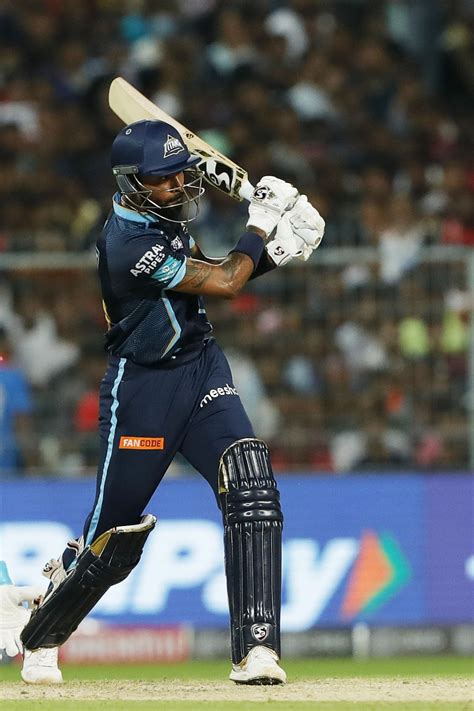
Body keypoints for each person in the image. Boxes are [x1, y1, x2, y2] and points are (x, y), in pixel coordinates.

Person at [0, 119, 324, 685]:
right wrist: (261, 227)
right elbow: (224, 281)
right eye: (166, 179)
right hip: (143, 389)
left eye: (182, 174)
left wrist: (282, 248)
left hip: (201, 369)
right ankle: (37, 628)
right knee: (112, 539)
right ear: (131, 184)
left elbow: (210, 277)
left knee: (250, 480)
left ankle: (257, 650)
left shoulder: (165, 215)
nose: (180, 186)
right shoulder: (127, 243)